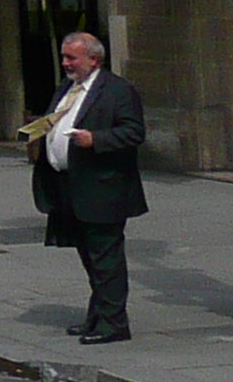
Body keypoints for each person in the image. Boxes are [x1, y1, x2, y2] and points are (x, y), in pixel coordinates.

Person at [30, 31, 147, 344]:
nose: (66, 63)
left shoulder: (118, 90)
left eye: (72, 58)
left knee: (106, 259)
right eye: (64, 57)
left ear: (94, 59)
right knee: (90, 257)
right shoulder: (68, 89)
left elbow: (134, 132)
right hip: (68, 188)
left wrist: (97, 140)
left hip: (102, 189)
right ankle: (97, 316)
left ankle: (114, 324)